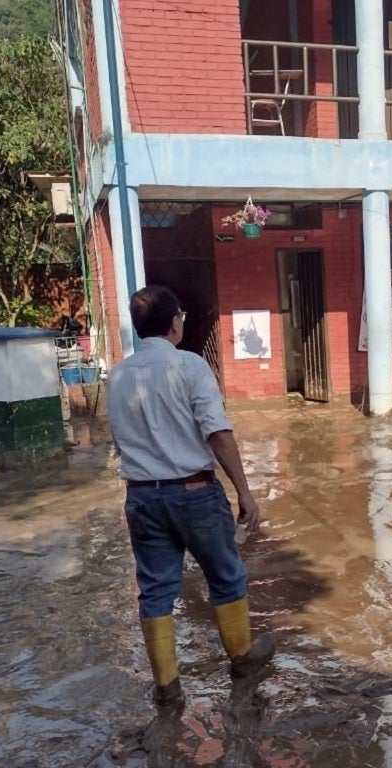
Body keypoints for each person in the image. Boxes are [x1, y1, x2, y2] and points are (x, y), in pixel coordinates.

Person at [106, 285, 274, 710]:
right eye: (180, 315)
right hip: (194, 493)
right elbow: (217, 433)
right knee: (226, 576)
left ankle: (167, 687)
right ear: (174, 322)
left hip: (142, 497)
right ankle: (241, 660)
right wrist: (245, 493)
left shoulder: (119, 375)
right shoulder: (190, 366)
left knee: (156, 590)